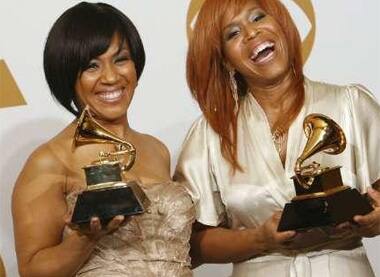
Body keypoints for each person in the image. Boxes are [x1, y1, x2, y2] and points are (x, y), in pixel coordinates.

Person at [174, 0, 380, 276]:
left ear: (282, 25)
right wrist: (259, 238)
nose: (251, 33)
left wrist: (375, 220)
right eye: (232, 33)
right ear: (225, 59)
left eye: (258, 17)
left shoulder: (350, 104)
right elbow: (190, 246)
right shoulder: (210, 134)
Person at [12, 2, 194, 276]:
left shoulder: (157, 150)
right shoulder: (49, 162)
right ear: (67, 75)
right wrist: (84, 239)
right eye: (91, 66)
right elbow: (32, 271)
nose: (111, 77)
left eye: (120, 59)